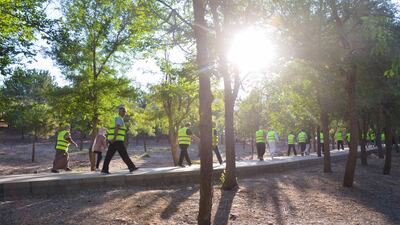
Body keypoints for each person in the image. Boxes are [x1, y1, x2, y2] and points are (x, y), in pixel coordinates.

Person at [101, 105, 138, 174]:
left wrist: (111, 139)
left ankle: (104, 169)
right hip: (117, 140)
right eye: (123, 111)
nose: (124, 113)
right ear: (120, 112)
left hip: (113, 140)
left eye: (125, 112)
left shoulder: (115, 118)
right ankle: (131, 167)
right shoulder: (119, 119)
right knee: (124, 154)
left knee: (109, 155)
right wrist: (114, 138)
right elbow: (117, 129)